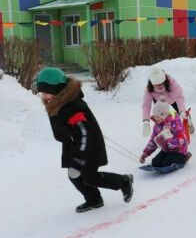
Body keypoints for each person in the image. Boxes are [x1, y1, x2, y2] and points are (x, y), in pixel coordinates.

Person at [36, 67, 133, 213]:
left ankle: (124, 182)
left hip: (89, 146)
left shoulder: (73, 107)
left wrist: (79, 159)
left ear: (58, 90)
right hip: (74, 145)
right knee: (75, 176)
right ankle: (94, 200)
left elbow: (84, 133)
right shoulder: (57, 103)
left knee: (90, 177)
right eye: (42, 92)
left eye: (47, 92)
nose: (44, 96)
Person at [140, 97, 191, 168]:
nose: (156, 119)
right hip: (166, 150)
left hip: (179, 150)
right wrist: (146, 152)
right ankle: (167, 159)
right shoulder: (157, 125)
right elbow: (153, 140)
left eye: (158, 117)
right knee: (155, 162)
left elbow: (180, 141)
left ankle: (184, 158)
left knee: (166, 163)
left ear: (163, 114)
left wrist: (167, 139)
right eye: (155, 117)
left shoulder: (175, 123)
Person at [142, 67, 186, 138]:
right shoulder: (149, 89)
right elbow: (146, 105)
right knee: (160, 117)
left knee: (182, 114)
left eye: (161, 84)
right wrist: (146, 121)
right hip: (160, 101)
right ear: (152, 84)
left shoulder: (171, 82)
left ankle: (188, 121)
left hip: (173, 99)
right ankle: (163, 134)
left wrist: (182, 111)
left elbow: (179, 97)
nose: (159, 86)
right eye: (156, 85)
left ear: (164, 81)